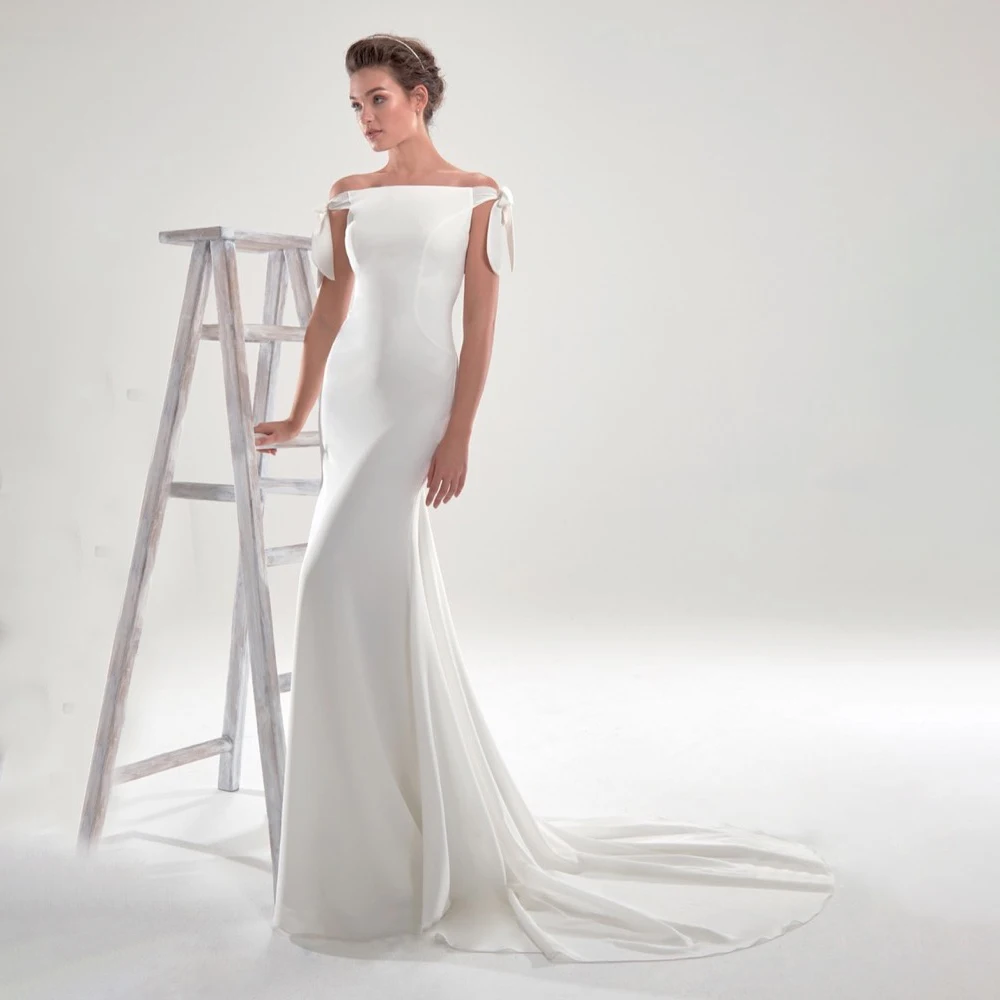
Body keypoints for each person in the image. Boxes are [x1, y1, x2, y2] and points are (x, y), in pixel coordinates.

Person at [255, 33, 835, 964]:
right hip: (353, 405)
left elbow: (480, 325)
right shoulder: (346, 195)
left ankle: (407, 837)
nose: (365, 117)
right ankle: (365, 838)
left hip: (416, 399)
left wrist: (458, 433)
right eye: (355, 104)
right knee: (339, 594)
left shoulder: (479, 194)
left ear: (420, 97)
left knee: (353, 587)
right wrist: (296, 411)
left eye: (379, 98)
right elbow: (328, 311)